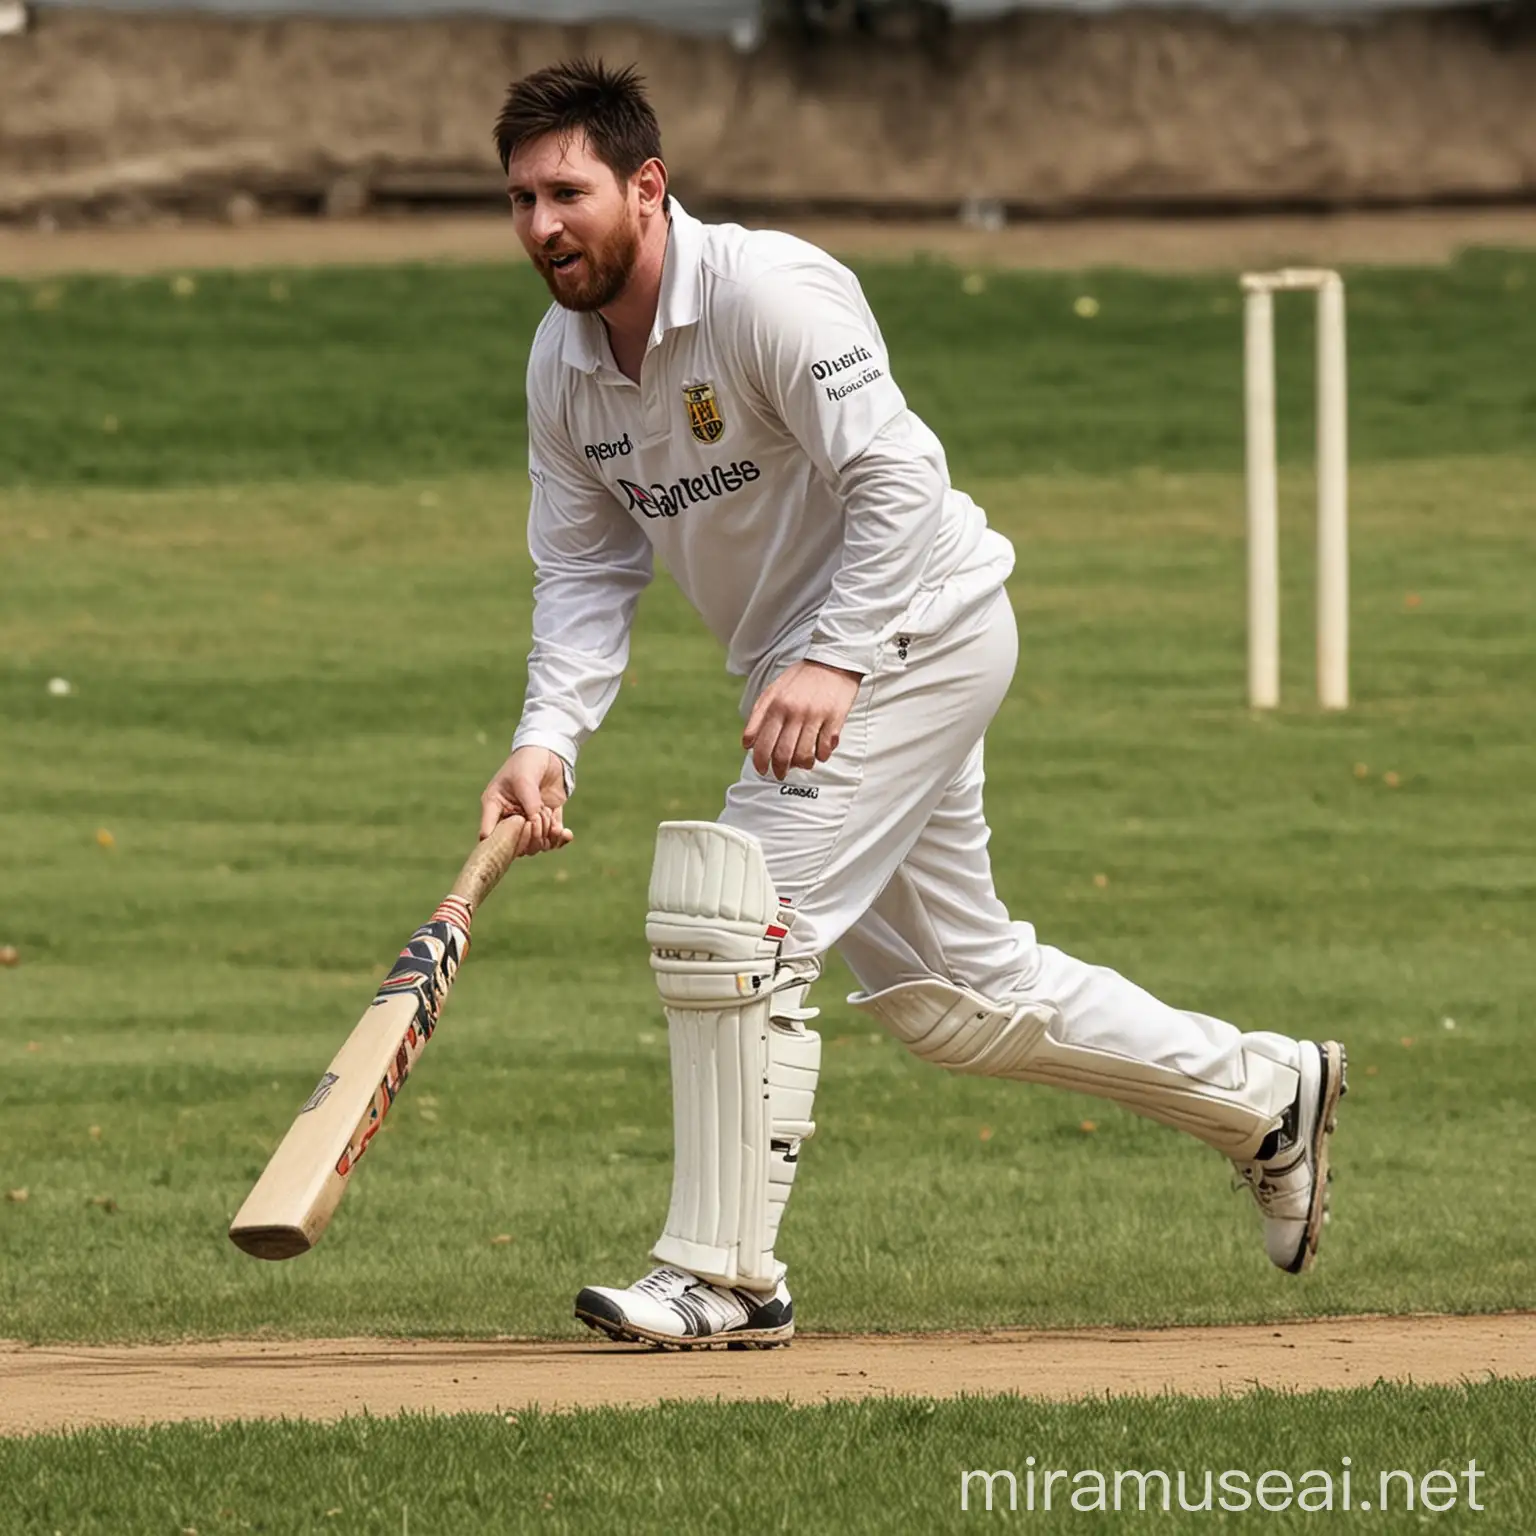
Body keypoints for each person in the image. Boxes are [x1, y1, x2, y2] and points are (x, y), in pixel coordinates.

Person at [479, 59, 1346, 1350]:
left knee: (737, 913)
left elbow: (900, 480)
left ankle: (726, 1277)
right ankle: (1265, 1095)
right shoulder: (564, 366)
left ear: (646, 188)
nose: (543, 225)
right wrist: (546, 738)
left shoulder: (769, 294)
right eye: (520, 200)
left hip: (917, 629)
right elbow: (587, 568)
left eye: (568, 191)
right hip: (818, 664)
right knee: (954, 998)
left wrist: (835, 659)